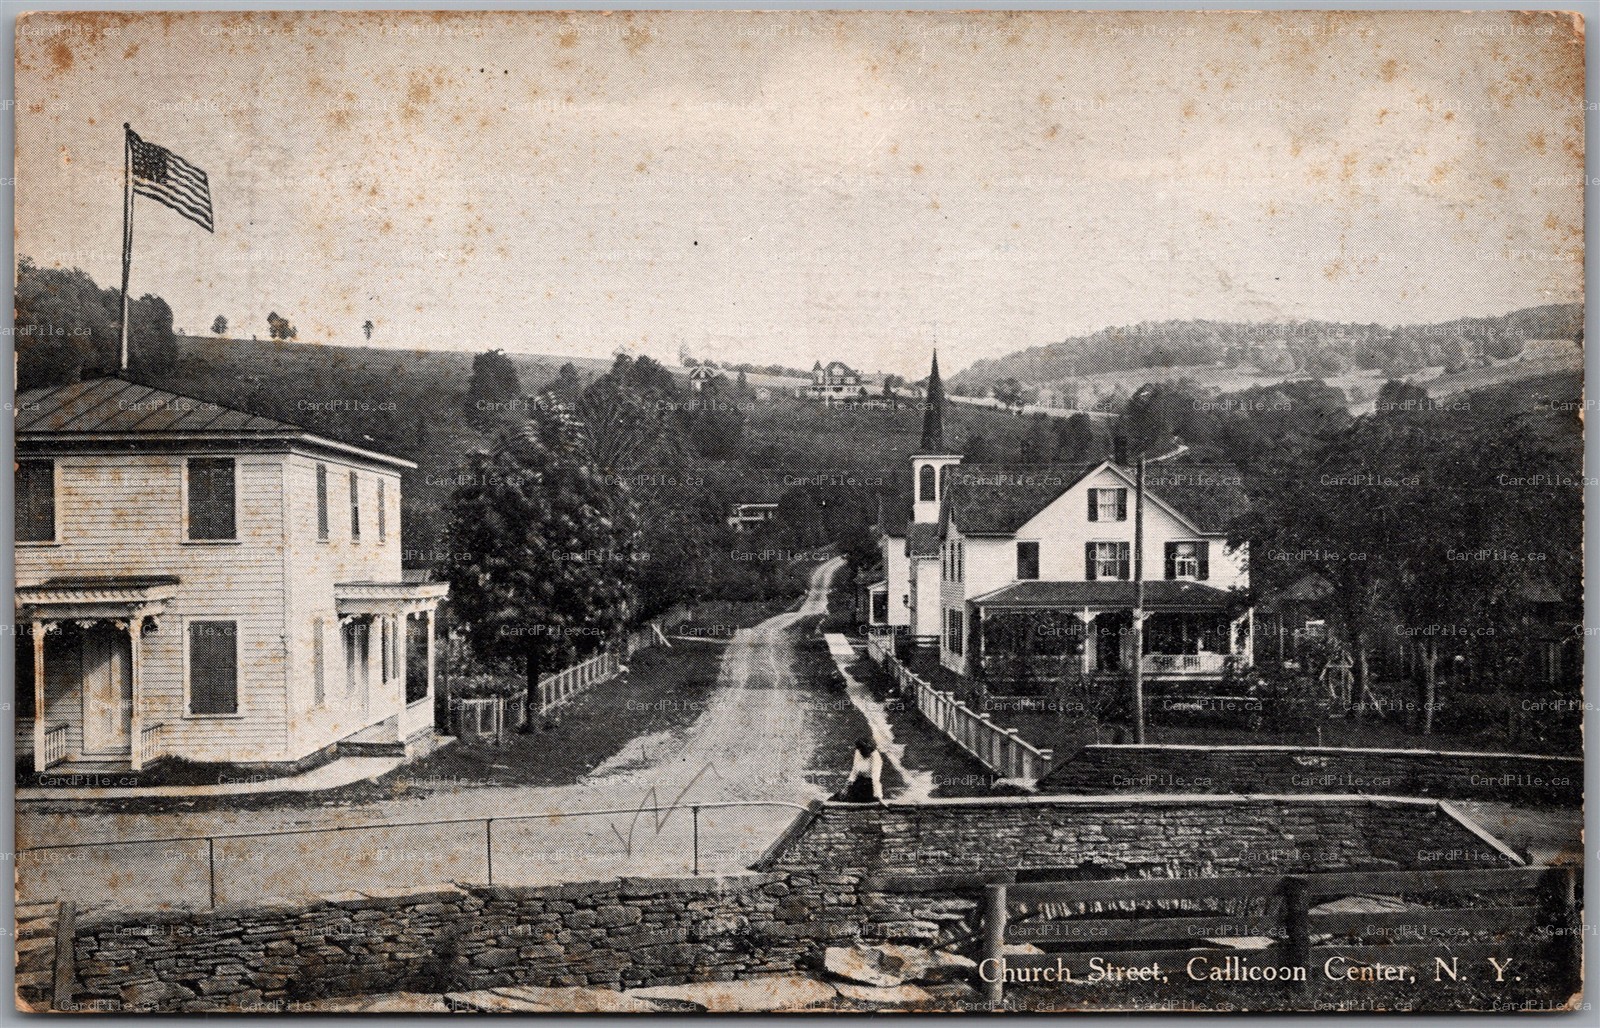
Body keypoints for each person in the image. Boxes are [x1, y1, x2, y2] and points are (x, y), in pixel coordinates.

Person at [838, 736, 885, 804]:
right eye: (860, 750)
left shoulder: (876, 757)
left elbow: (876, 778)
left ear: (869, 748)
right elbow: (854, 772)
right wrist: (845, 788)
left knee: (859, 798)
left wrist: (878, 796)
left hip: (870, 785)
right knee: (841, 796)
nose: (862, 752)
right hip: (859, 781)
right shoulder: (858, 752)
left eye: (864, 749)